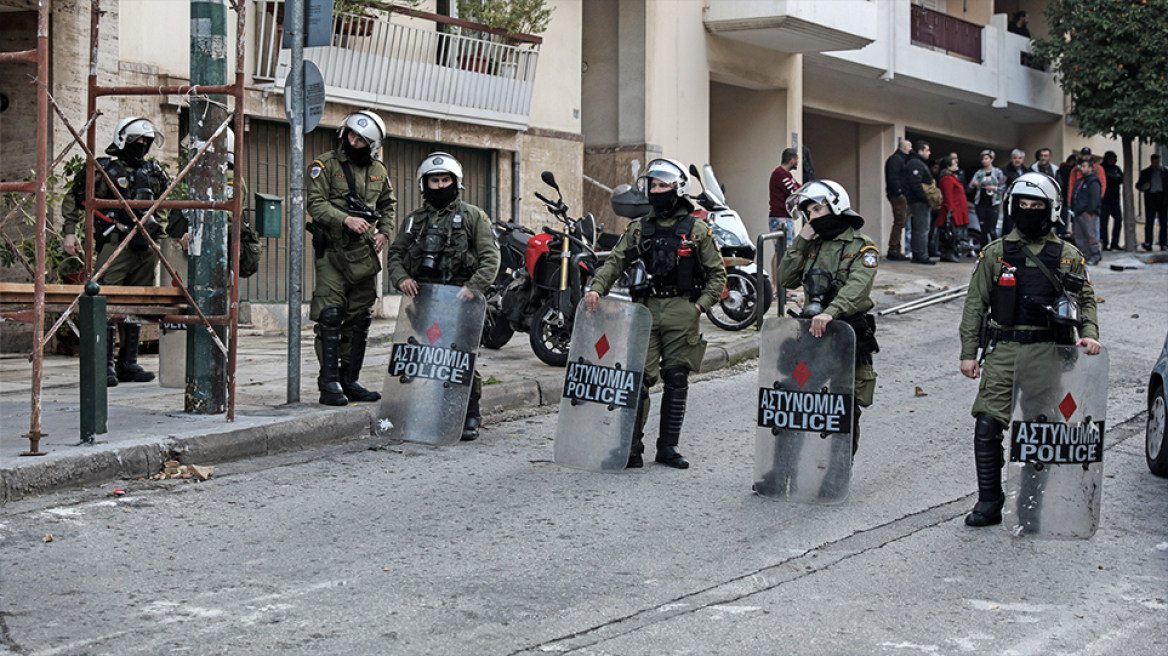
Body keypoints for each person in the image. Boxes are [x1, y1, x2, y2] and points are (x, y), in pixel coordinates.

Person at [958, 172, 1101, 527]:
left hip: (1048, 352)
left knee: (1041, 430)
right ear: (1012, 207)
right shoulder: (995, 253)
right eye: (1023, 204)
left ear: (1050, 209)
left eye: (1036, 205)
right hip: (1003, 349)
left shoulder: (1068, 256)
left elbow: (1084, 299)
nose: (1029, 211)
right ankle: (989, 502)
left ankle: (1031, 503)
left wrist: (1089, 334)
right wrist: (968, 352)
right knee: (987, 425)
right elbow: (976, 304)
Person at [583, 158, 726, 469]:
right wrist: (596, 288)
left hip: (682, 309)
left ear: (678, 189)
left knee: (677, 377)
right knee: (637, 378)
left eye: (664, 186)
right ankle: (631, 447)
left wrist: (699, 306)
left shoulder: (697, 229)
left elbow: (718, 276)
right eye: (654, 185)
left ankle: (668, 447)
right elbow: (615, 262)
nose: (657, 191)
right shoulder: (639, 228)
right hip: (645, 310)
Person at [385, 152, 500, 440]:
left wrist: (473, 287)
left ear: (455, 182)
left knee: (460, 357)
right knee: (429, 355)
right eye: (434, 180)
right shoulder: (414, 221)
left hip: (462, 301)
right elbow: (396, 255)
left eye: (444, 179)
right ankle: (433, 410)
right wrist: (402, 278)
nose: (439, 185)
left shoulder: (474, 216)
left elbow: (490, 257)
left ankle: (469, 413)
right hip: (425, 301)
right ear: (425, 184)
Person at [61, 117, 174, 387]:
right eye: (138, 141)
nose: (143, 146)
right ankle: (104, 364)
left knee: (136, 305)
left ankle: (128, 363)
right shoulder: (102, 169)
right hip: (115, 243)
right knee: (106, 303)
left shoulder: (154, 170)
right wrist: (69, 231)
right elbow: (74, 198)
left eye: (147, 142)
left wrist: (166, 238)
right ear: (124, 140)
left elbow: (167, 204)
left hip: (145, 247)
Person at [776, 180, 880, 455]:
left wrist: (830, 312)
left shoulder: (862, 247)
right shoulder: (812, 245)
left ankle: (836, 474)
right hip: (812, 337)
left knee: (843, 406)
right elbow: (786, 278)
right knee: (794, 398)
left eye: (817, 210)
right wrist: (801, 240)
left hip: (848, 335)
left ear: (836, 207)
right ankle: (781, 471)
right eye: (808, 212)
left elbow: (857, 287)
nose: (812, 217)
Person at [306, 110, 397, 407]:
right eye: (350, 135)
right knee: (331, 314)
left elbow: (388, 204)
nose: (353, 141)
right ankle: (328, 381)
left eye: (360, 139)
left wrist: (384, 231)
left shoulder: (378, 171)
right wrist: (345, 219)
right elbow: (316, 205)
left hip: (363, 253)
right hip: (332, 252)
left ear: (371, 145)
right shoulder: (324, 165)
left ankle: (350, 379)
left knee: (359, 317)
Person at [768, 148, 801, 294]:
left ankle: (783, 287)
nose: (798, 162)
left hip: (785, 217)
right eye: (797, 159)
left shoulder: (786, 175)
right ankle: (776, 287)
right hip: (779, 218)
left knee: (785, 252)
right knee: (780, 251)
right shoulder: (779, 175)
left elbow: (798, 188)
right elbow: (794, 191)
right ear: (792, 160)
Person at [902, 140, 935, 265]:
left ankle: (918, 253)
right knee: (922, 228)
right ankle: (921, 254)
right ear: (920, 151)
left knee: (919, 228)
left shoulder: (916, 163)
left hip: (917, 200)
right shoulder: (915, 164)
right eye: (927, 150)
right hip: (919, 201)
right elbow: (915, 184)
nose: (929, 153)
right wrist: (925, 197)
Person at [1070, 156, 1103, 265]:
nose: (1081, 168)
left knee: (1090, 235)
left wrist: (1090, 211)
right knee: (1079, 236)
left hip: (1087, 213)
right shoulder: (1080, 181)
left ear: (1090, 168)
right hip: (1078, 213)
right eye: (1081, 166)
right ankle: (1084, 256)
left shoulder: (1093, 181)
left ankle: (1095, 255)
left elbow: (1095, 198)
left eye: (1084, 166)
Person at [937, 156, 970, 263]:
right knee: (950, 232)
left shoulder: (952, 177)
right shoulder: (947, 179)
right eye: (954, 163)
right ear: (948, 166)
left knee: (955, 232)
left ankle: (950, 252)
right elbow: (948, 195)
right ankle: (948, 252)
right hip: (953, 210)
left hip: (957, 209)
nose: (957, 165)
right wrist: (950, 209)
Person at [884, 139, 912, 261]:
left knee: (900, 222)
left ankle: (896, 248)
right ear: (905, 147)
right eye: (909, 147)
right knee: (899, 222)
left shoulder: (898, 159)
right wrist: (899, 192)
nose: (911, 150)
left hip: (898, 194)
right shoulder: (896, 160)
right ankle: (893, 249)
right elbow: (893, 177)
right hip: (897, 195)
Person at [968, 150, 1005, 242]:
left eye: (986, 159)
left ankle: (996, 252)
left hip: (993, 204)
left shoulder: (998, 172)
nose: (984, 161)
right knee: (983, 230)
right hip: (980, 203)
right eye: (982, 159)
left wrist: (994, 188)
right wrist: (973, 185)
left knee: (992, 230)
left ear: (991, 159)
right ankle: (983, 253)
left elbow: (1003, 188)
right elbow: (969, 188)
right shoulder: (979, 173)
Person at [1136, 153, 1168, 251]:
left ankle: (1163, 243)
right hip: (1151, 198)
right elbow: (1138, 185)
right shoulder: (1146, 172)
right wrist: (1143, 187)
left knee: (1163, 222)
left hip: (1163, 198)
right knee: (1149, 221)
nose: (1155, 163)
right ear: (1151, 161)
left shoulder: (1165, 171)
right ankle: (1148, 242)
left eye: (1157, 161)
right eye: (1153, 161)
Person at [1099, 151, 1124, 251]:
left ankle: (1115, 243)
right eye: (1110, 159)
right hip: (1104, 200)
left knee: (1118, 220)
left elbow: (1121, 179)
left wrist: (1112, 178)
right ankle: (1104, 243)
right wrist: (1113, 178)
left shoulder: (1116, 169)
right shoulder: (1102, 168)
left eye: (1113, 159)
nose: (1111, 161)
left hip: (1115, 201)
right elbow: (1104, 179)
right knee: (1104, 224)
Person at [1001, 149, 1028, 236]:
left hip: (1024, 201)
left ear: (1022, 159)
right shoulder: (1005, 171)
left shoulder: (1026, 171)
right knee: (1009, 225)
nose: (1017, 160)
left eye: (1020, 158)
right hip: (1010, 201)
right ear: (1011, 159)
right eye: (1015, 158)